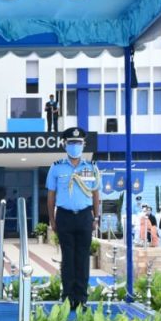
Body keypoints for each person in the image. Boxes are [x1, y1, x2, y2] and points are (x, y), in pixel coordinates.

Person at [45, 127, 99, 309]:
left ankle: (82, 298)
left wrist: (96, 217)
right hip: (65, 217)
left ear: (83, 144)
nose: (74, 146)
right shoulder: (56, 167)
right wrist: (52, 219)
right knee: (68, 259)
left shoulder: (91, 167)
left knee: (83, 259)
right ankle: (68, 298)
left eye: (78, 143)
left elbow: (96, 194)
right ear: (64, 144)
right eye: (71, 143)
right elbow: (51, 195)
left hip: (85, 216)